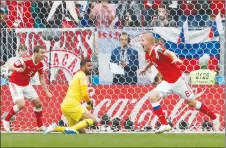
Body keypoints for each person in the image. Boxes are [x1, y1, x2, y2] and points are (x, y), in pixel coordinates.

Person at [139, 33, 220, 133]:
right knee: (152, 97)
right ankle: (165, 124)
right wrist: (145, 68)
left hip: (178, 81)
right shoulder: (148, 52)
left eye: (142, 40)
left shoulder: (157, 49)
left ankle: (214, 117)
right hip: (167, 82)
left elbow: (168, 52)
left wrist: (175, 58)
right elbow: (152, 60)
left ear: (150, 42)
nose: (140, 42)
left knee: (191, 102)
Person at [1, 45, 52, 132]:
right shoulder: (25, 59)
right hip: (15, 83)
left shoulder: (40, 64)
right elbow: (11, 67)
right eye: (42, 53)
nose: (44, 54)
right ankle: (6, 120)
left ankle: (40, 126)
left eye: (44, 52)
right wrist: (17, 69)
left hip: (26, 84)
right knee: (21, 104)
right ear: (35, 53)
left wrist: (47, 91)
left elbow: (42, 78)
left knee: (38, 104)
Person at [44, 58, 96, 134]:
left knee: (82, 131)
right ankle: (73, 129)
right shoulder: (82, 76)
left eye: (91, 66)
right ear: (82, 67)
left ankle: (55, 128)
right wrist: (89, 103)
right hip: (72, 104)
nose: (91, 68)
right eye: (88, 66)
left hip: (66, 105)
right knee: (93, 119)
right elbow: (85, 94)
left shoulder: (77, 75)